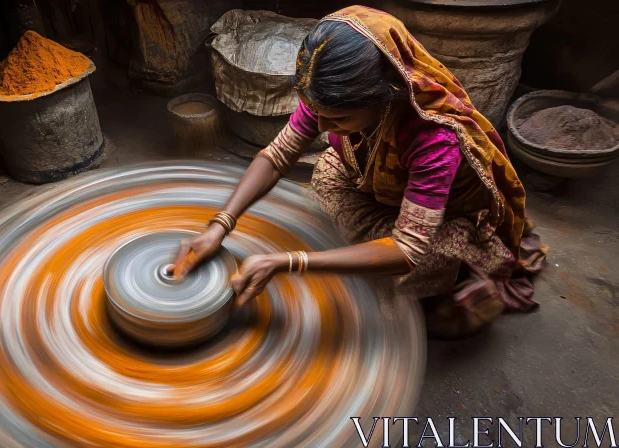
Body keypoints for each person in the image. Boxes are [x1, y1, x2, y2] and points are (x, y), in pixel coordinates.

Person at [172, 6, 546, 338]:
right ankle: (355, 257)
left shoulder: (434, 136)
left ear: (387, 94)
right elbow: (277, 155)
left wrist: (290, 262)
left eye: (338, 118)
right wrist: (219, 226)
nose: (321, 123)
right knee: (324, 176)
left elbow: (407, 247)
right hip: (373, 185)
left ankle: (448, 285)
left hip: (444, 217)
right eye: (316, 111)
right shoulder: (326, 101)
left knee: (421, 262)